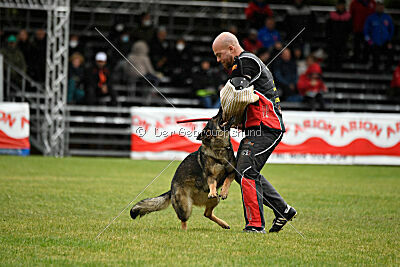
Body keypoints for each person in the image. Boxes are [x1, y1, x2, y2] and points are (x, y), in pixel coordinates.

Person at [212, 32, 297, 233]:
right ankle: (283, 210)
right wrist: (233, 120)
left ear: (231, 48)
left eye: (219, 54)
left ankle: (255, 226)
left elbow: (236, 92)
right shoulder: (244, 63)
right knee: (242, 173)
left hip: (267, 127)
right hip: (258, 127)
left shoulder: (245, 61)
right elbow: (247, 99)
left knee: (246, 171)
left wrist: (221, 119)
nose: (217, 60)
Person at [363, 0, 394, 72]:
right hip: (374, 42)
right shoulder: (370, 18)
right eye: (378, 6)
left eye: (382, 6)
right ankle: (375, 68)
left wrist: (389, 40)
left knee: (391, 50)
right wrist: (369, 41)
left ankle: (388, 68)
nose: (380, 7)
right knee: (374, 51)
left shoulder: (388, 17)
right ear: (375, 7)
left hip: (386, 42)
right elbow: (366, 31)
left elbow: (392, 30)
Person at [326, 0, 352, 70]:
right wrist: (329, 38)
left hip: (342, 40)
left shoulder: (348, 16)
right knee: (332, 55)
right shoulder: (331, 15)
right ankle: (331, 69)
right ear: (337, 6)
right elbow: (328, 28)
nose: (341, 6)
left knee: (340, 56)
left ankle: (339, 69)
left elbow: (349, 29)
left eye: (342, 5)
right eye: (339, 5)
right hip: (332, 39)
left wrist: (346, 38)